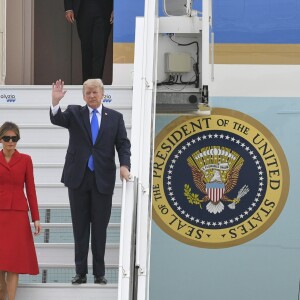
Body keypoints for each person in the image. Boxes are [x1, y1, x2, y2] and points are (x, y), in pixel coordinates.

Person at [50, 79, 131, 284]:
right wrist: (55, 101)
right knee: (80, 227)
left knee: (100, 228)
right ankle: (80, 272)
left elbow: (123, 144)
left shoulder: (115, 117)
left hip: (102, 178)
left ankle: (99, 273)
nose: (92, 96)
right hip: (78, 177)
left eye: (95, 92)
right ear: (83, 95)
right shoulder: (75, 112)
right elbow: (57, 119)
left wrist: (124, 165)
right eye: (88, 93)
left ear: (102, 93)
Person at [0, 122, 41, 300]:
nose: (11, 142)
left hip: (18, 215)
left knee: (14, 263)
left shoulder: (26, 160)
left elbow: (30, 189)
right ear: (0, 139)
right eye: (7, 138)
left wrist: (36, 218)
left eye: (14, 138)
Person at [64, 0, 113, 82]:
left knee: (100, 50)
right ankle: (87, 86)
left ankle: (96, 85)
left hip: (105, 10)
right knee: (86, 50)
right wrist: (68, 8)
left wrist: (117, 8)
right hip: (83, 9)